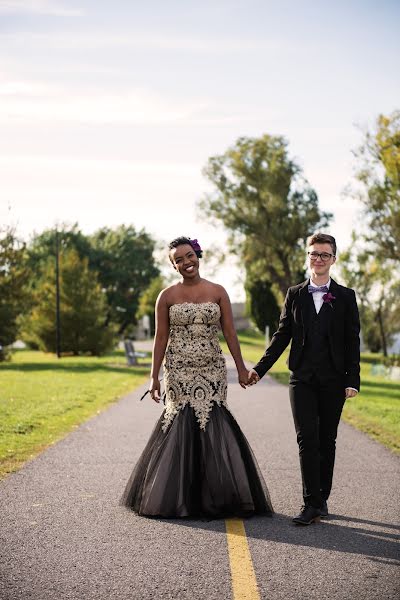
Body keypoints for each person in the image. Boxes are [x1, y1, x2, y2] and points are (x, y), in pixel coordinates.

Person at [121, 236, 273, 518]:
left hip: (212, 368)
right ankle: (180, 498)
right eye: (178, 259)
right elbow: (160, 338)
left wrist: (240, 368)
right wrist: (153, 377)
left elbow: (230, 332)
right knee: (180, 423)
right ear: (173, 266)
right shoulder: (166, 296)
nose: (185, 262)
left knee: (212, 422)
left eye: (189, 256)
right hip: (178, 369)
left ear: (198, 256)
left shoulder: (218, 291)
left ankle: (214, 496)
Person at [248, 232, 360, 525]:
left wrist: (353, 380)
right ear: (308, 257)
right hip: (302, 378)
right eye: (314, 253)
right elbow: (282, 335)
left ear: (334, 259)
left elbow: (352, 341)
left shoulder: (346, 297)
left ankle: (322, 497)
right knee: (306, 438)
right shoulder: (295, 294)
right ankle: (311, 502)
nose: (319, 259)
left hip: (335, 380)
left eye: (325, 254)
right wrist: (259, 369)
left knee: (327, 440)